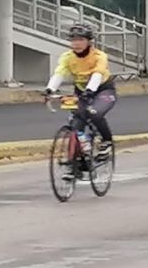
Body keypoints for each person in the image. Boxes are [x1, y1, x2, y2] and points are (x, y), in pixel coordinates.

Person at [44, 24, 117, 169]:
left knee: (94, 113)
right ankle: (78, 158)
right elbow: (59, 73)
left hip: (102, 90)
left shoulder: (99, 56)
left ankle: (106, 142)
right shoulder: (67, 57)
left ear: (89, 41)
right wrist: (50, 89)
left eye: (81, 39)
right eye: (73, 40)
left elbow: (98, 73)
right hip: (81, 91)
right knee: (76, 124)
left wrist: (90, 90)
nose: (76, 43)